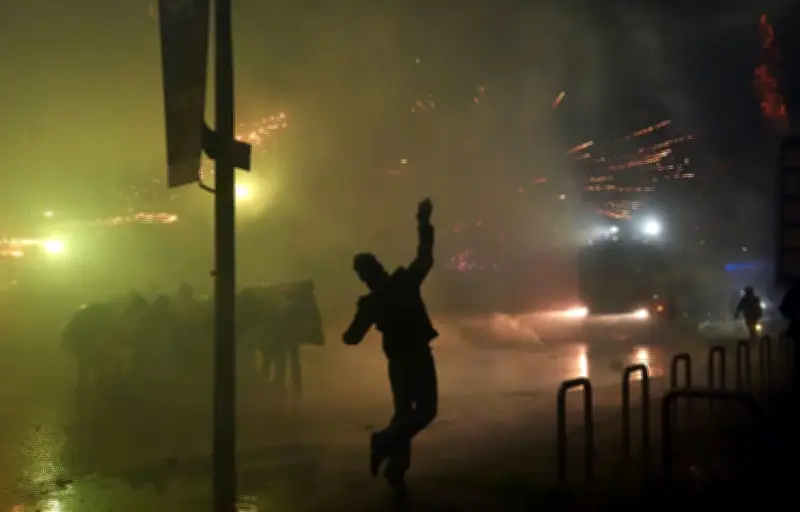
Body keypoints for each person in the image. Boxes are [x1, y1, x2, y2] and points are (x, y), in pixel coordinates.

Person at [342, 198, 438, 495]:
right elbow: (425, 258)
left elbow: (351, 338)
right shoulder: (404, 282)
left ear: (363, 278)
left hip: (397, 362)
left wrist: (362, 315)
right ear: (379, 267)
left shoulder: (372, 302)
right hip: (418, 356)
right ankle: (386, 446)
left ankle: (396, 468)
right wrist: (423, 223)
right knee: (424, 411)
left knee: (403, 414)